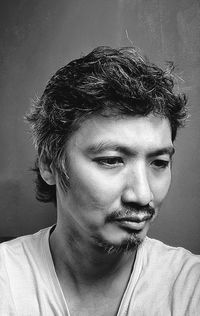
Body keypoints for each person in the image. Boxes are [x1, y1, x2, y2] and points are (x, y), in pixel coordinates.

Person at [0, 46, 199, 315]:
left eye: (159, 163)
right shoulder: (7, 282)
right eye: (111, 160)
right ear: (49, 164)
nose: (143, 195)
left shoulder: (190, 288)